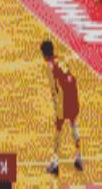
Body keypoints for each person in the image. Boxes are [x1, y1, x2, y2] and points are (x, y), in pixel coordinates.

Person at [40, 40, 83, 175]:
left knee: (58, 130)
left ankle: (55, 163)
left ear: (44, 54)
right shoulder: (61, 59)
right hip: (73, 92)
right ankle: (79, 158)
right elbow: (69, 76)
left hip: (64, 97)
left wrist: (56, 106)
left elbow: (54, 89)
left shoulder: (49, 66)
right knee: (74, 124)